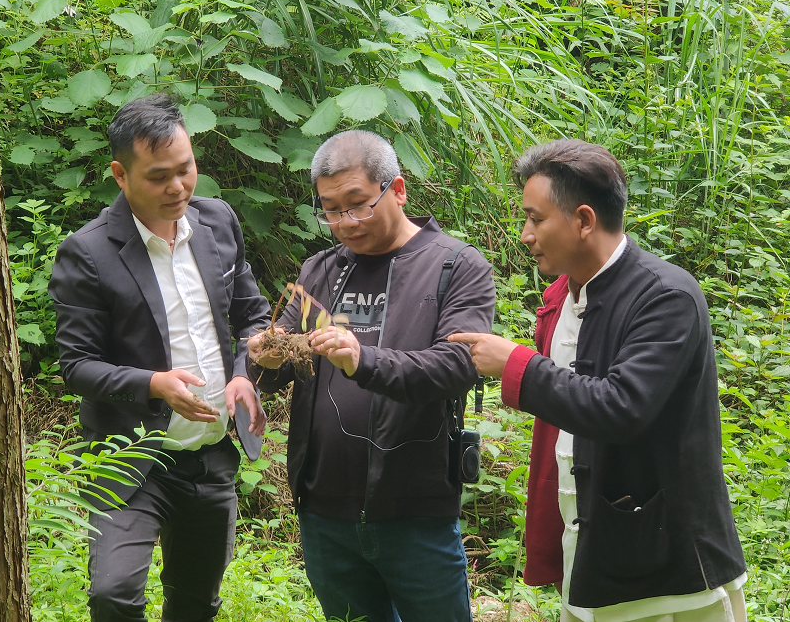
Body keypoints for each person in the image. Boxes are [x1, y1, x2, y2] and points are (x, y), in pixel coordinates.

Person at [450, 139, 747, 622]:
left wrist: (516, 365)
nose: (525, 234)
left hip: (665, 558)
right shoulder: (563, 296)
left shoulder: (666, 296)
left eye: (536, 218)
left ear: (584, 220)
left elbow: (620, 407)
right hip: (593, 547)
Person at [246, 130, 495, 622]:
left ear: (396, 189)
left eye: (358, 204)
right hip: (323, 508)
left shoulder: (455, 266)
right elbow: (282, 354)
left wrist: (364, 359)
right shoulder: (319, 269)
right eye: (330, 209)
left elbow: (456, 367)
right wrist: (264, 356)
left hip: (414, 510)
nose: (345, 222)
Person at [48, 93, 270, 622]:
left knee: (196, 602)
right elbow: (77, 364)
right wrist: (154, 383)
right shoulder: (89, 252)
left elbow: (254, 317)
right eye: (157, 176)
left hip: (212, 454)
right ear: (120, 175)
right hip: (131, 457)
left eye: (185, 169)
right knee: (113, 596)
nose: (177, 188)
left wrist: (245, 374)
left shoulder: (217, 223)